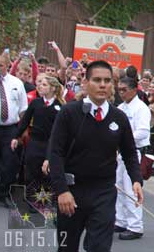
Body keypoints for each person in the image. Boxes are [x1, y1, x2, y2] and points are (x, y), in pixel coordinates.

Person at [47, 60, 144, 252]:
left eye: (107, 81)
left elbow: (130, 153)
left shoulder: (119, 117)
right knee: (67, 247)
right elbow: (55, 152)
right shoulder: (69, 113)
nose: (102, 85)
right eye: (97, 80)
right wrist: (62, 190)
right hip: (71, 192)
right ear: (85, 82)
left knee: (99, 247)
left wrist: (136, 179)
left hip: (104, 193)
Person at [115, 77, 151, 240]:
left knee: (131, 188)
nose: (121, 92)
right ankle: (121, 220)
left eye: (124, 89)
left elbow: (143, 131)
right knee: (119, 187)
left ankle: (135, 225)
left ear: (134, 90)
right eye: (119, 89)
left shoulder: (141, 108)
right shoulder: (120, 107)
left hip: (134, 151)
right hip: (120, 152)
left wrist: (124, 139)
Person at [11, 75, 64, 185]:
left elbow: (60, 131)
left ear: (53, 88)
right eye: (40, 84)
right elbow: (25, 121)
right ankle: (31, 200)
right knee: (31, 173)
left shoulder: (60, 107)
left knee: (47, 174)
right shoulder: (36, 103)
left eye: (44, 85)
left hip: (50, 144)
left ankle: (45, 200)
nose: (40, 87)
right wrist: (16, 136)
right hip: (34, 143)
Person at [0, 52, 28, 208]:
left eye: (0, 64)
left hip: (10, 129)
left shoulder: (16, 83)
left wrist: (23, 130)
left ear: (8, 65)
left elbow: (23, 109)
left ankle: (3, 193)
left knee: (10, 162)